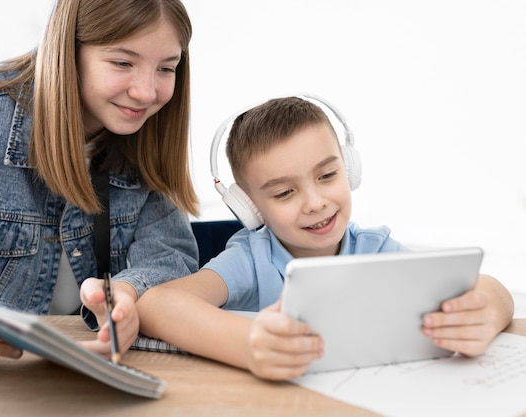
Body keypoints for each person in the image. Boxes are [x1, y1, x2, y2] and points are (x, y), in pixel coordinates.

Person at [85, 96, 515, 381]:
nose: (315, 202)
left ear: (350, 168)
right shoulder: (251, 258)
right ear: (251, 208)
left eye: (328, 175)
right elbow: (158, 303)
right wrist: (247, 345)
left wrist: (490, 310)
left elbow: (487, 288)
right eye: (285, 192)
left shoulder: (375, 249)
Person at [0, 0, 199, 376]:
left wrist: (130, 293)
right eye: (122, 63)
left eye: (166, 68)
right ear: (67, 51)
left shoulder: (153, 127)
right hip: (9, 374)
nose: (146, 92)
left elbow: (169, 257)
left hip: (128, 366)